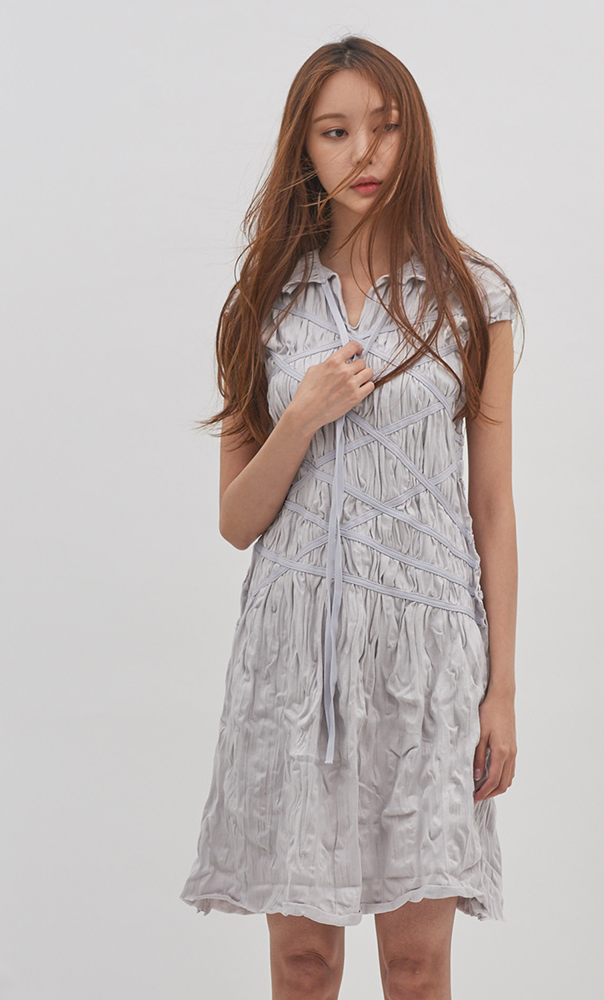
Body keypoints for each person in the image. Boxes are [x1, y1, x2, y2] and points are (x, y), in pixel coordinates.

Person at [181, 34, 524, 1000]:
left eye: (385, 126)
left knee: (416, 967)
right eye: (335, 132)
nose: (364, 152)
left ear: (414, 137)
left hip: (427, 662)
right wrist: (301, 415)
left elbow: (492, 506)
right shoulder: (262, 307)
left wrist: (501, 691)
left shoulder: (474, 299)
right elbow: (237, 520)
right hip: (295, 665)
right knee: (303, 964)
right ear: (305, 148)